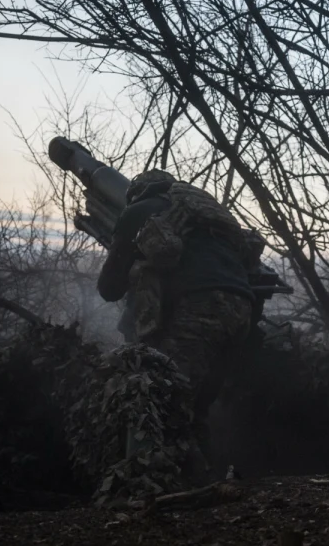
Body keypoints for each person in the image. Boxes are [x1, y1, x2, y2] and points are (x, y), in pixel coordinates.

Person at [98, 169, 256, 477]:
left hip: (201, 309)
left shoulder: (140, 211)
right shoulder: (206, 216)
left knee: (160, 398)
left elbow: (109, 288)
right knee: (194, 408)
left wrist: (131, 260)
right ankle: (210, 480)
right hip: (242, 310)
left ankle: (153, 485)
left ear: (137, 193)